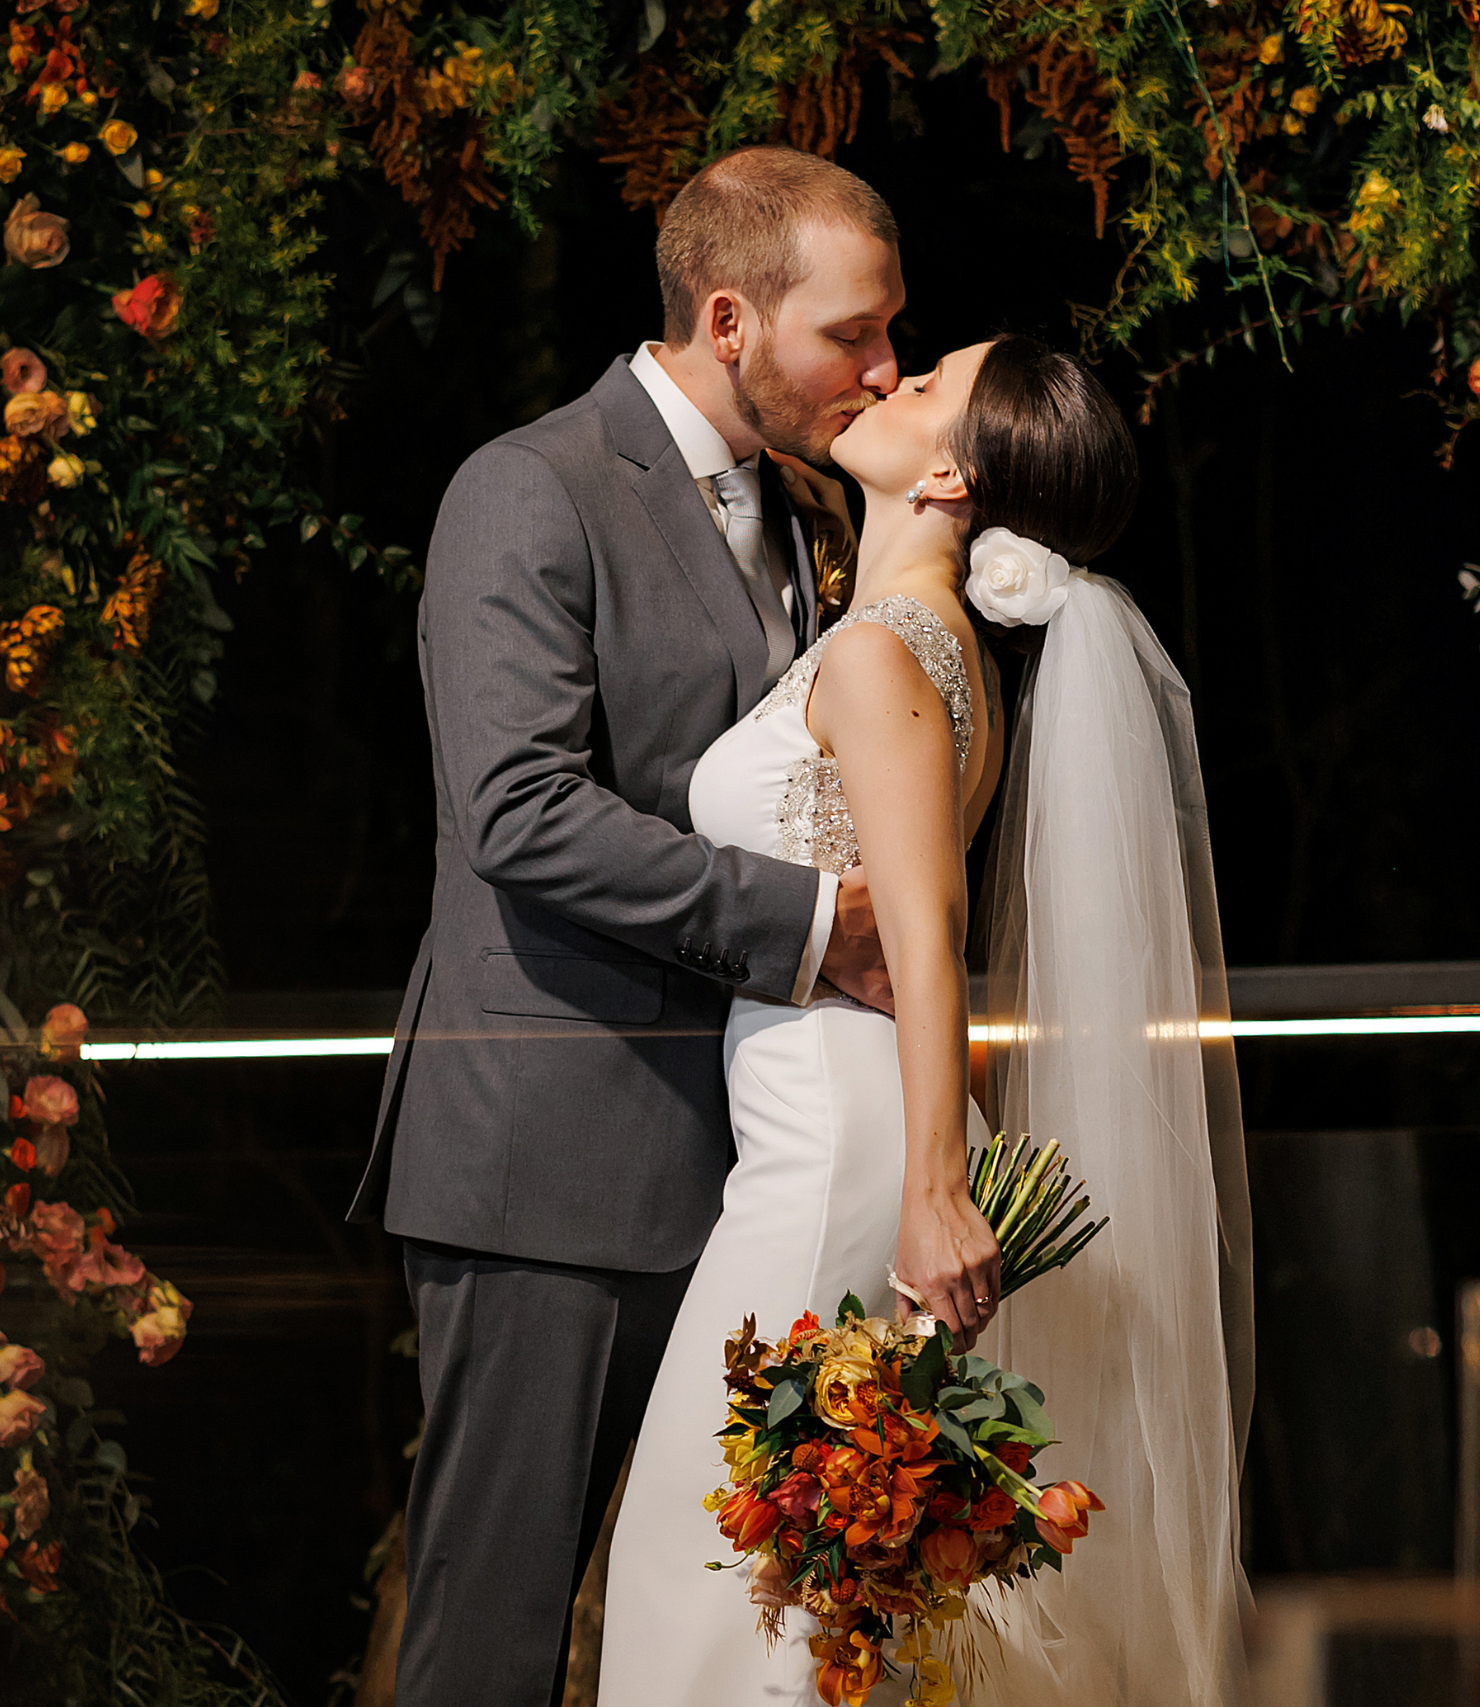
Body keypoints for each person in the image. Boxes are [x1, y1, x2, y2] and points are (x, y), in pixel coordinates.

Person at [597, 334, 1254, 1704]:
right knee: (791, 1582)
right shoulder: (920, 646)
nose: (882, 387)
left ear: (949, 471)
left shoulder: (891, 651)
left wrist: (935, 1189)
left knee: (708, 1568)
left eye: (921, 385)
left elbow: (929, 935)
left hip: (842, 1144)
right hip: (828, 1125)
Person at [347, 147, 913, 1707]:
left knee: (721, 1628)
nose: (882, 368)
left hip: (746, 1175)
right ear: (729, 319)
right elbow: (517, 812)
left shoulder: (807, 512)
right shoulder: (530, 487)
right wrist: (819, 927)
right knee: (495, 1637)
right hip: (551, 1162)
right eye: (850, 336)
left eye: (889, 333)